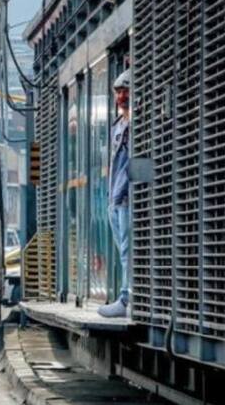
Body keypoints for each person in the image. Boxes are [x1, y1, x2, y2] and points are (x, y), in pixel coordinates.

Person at [99, 69, 131, 318]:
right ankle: (125, 297)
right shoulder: (117, 125)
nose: (121, 96)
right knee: (123, 249)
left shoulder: (135, 124)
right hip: (115, 198)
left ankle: (126, 298)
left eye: (125, 90)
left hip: (128, 197)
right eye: (118, 91)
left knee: (128, 250)